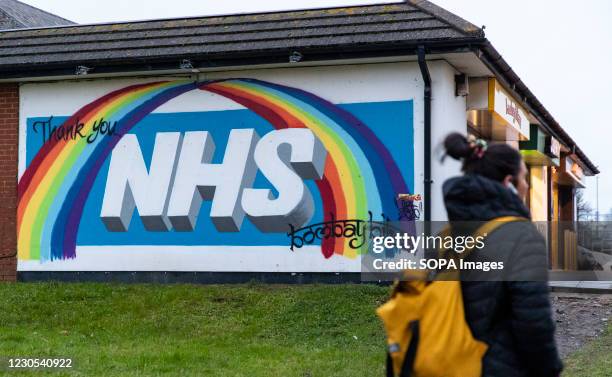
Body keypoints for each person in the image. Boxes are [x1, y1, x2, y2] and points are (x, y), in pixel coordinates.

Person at [442, 133, 563, 377]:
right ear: (509, 183)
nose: (527, 186)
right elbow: (533, 321)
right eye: (524, 178)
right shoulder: (521, 236)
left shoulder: (446, 235)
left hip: (452, 362)